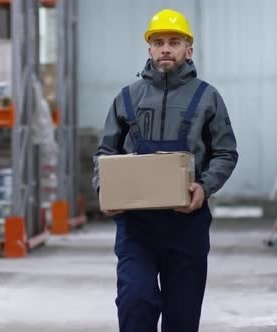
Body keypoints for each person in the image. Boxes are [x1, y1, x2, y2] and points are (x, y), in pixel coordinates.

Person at [92, 8, 239, 332]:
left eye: (174, 42)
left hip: (186, 223)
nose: (165, 49)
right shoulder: (127, 97)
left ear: (189, 48)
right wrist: (104, 189)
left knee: (182, 317)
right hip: (136, 226)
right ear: (149, 49)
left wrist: (205, 186)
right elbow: (105, 151)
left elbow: (225, 152)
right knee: (136, 302)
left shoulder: (207, 98)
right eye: (158, 42)